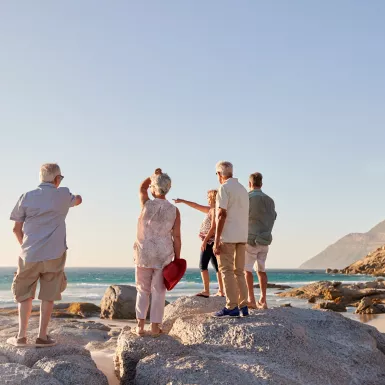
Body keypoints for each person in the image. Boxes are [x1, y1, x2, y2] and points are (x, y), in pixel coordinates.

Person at [10, 163, 82, 346]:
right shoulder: (64, 194)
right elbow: (78, 200)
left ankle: (21, 336)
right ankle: (42, 336)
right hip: (54, 254)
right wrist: (77, 198)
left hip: (29, 253)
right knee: (48, 294)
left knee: (25, 294)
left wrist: (25, 245)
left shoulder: (26, 197)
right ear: (57, 179)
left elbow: (16, 229)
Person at [134, 168, 181, 336]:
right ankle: (155, 327)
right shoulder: (174, 210)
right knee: (159, 291)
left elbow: (142, 187)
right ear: (168, 189)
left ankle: (140, 327)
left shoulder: (147, 204)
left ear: (154, 188)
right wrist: (178, 257)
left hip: (144, 253)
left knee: (142, 289)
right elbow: (176, 236)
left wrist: (153, 175)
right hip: (163, 254)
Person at [213, 161, 249, 318]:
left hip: (227, 236)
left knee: (226, 270)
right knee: (239, 271)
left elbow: (222, 214)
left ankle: (231, 306)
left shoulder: (224, 188)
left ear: (219, 174)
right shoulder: (242, 189)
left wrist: (216, 239)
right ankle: (243, 305)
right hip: (242, 236)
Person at [173, 191, 224, 298]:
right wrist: (182, 201)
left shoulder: (214, 210)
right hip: (213, 241)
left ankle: (206, 290)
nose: (207, 199)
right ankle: (221, 290)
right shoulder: (212, 209)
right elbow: (195, 205)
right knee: (217, 267)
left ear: (212, 198)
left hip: (209, 242)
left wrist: (205, 240)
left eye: (208, 197)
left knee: (203, 265)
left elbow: (213, 227)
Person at [245, 172, 277, 309]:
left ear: (250, 184)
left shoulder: (247, 198)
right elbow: (273, 217)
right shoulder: (270, 200)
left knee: (247, 270)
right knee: (261, 270)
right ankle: (263, 300)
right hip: (265, 239)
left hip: (250, 238)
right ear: (261, 184)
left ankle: (251, 299)